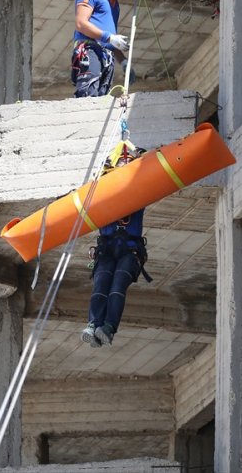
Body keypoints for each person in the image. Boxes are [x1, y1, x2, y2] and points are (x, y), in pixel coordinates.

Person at [81, 144, 151, 348]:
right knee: (101, 285)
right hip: (107, 250)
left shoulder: (138, 196)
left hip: (130, 251)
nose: (123, 163)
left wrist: (141, 159)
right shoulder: (103, 196)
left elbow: (146, 179)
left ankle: (108, 327)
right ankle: (94, 325)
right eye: (120, 161)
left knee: (117, 285)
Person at [72, 0, 130, 98]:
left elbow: (110, 40)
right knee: (88, 95)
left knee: (101, 100)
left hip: (106, 56)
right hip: (90, 50)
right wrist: (110, 38)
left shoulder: (113, 3)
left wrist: (123, 61)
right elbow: (81, 23)